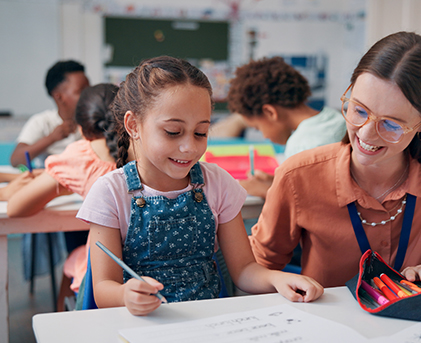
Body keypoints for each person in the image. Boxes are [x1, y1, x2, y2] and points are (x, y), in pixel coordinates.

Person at [77, 56, 323, 316]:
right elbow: (103, 290)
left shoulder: (216, 183)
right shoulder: (111, 192)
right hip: (142, 325)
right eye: (173, 131)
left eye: (201, 133)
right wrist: (126, 295)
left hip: (208, 323)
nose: (190, 147)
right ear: (133, 125)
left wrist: (276, 279)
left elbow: (243, 271)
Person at [249, 32, 421, 289]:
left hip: (419, 322)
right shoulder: (297, 176)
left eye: (391, 124)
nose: (364, 133)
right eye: (359, 110)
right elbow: (257, 268)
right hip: (327, 323)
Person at [7, 83, 120, 302]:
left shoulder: (80, 157)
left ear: (81, 127)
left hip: (106, 275)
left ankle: (68, 320)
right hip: (154, 268)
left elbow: (15, 208)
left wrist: (62, 188)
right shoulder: (151, 151)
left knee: (76, 259)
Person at [226, 57, 347, 198]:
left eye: (258, 128)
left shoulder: (300, 146)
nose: (264, 136)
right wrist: (278, 182)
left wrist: (264, 191)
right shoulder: (335, 117)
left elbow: (307, 203)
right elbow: (313, 187)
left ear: (270, 113)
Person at [10, 60, 90, 168]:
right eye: (81, 91)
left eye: (90, 89)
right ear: (59, 96)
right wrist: (52, 138)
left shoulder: (94, 120)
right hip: (50, 181)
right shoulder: (42, 122)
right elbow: (16, 160)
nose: (90, 95)